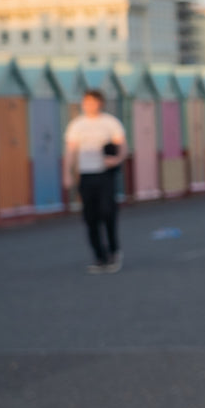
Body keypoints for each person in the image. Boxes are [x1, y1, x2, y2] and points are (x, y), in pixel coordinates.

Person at [62, 89, 126, 274]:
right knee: (90, 217)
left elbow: (122, 146)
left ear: (100, 103)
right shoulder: (77, 125)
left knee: (107, 212)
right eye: (86, 102)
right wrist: (67, 173)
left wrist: (116, 159)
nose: (89, 105)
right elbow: (71, 151)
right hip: (86, 174)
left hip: (105, 174)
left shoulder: (110, 122)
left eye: (93, 102)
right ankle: (100, 256)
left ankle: (114, 251)